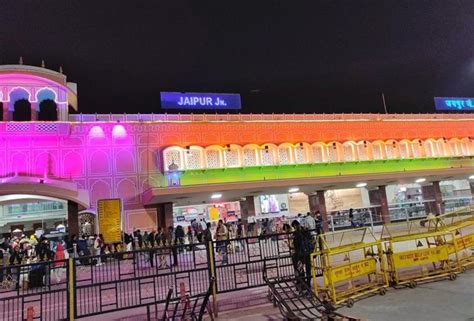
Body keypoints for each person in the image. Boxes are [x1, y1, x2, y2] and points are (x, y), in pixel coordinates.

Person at [291, 220, 314, 290]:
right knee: (308, 269)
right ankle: (308, 284)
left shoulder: (296, 233)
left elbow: (295, 245)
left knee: (300, 269)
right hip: (308, 252)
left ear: (294, 225)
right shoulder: (305, 230)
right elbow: (311, 239)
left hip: (300, 254)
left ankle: (303, 284)